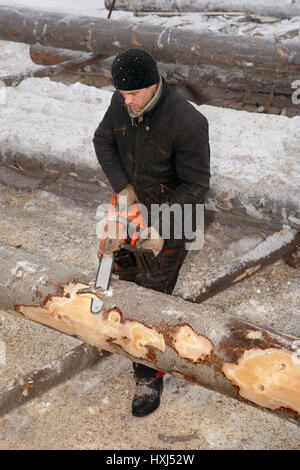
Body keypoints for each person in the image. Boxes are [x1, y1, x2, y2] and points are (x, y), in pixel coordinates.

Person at [93, 48, 210, 417]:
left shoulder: (187, 122)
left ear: (153, 84)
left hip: (172, 220)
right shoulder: (122, 101)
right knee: (123, 277)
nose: (124, 101)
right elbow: (103, 141)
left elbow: (195, 186)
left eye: (131, 95)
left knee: (150, 298)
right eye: (121, 94)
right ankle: (121, 334)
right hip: (132, 209)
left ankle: (148, 373)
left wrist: (162, 227)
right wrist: (123, 189)